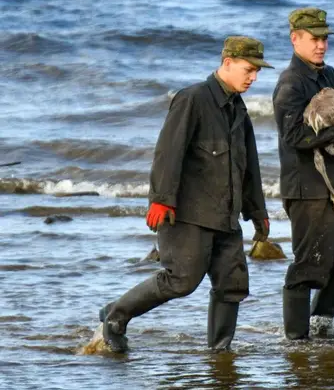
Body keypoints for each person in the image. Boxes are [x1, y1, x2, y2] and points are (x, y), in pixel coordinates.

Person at [98, 36, 273, 353]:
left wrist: (257, 211)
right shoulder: (192, 99)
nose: (254, 77)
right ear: (228, 63)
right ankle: (115, 316)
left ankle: (220, 353)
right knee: (181, 280)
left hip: (227, 215)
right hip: (188, 214)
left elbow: (250, 167)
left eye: (257, 71)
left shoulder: (238, 109)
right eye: (249, 69)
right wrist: (161, 199)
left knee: (232, 286)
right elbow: (168, 153)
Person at [272, 7, 334, 340]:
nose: (321, 46)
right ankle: (296, 341)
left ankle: (320, 323)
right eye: (314, 39)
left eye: (324, 39)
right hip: (308, 191)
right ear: (295, 39)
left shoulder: (330, 75)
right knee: (310, 268)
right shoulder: (290, 83)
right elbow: (294, 136)